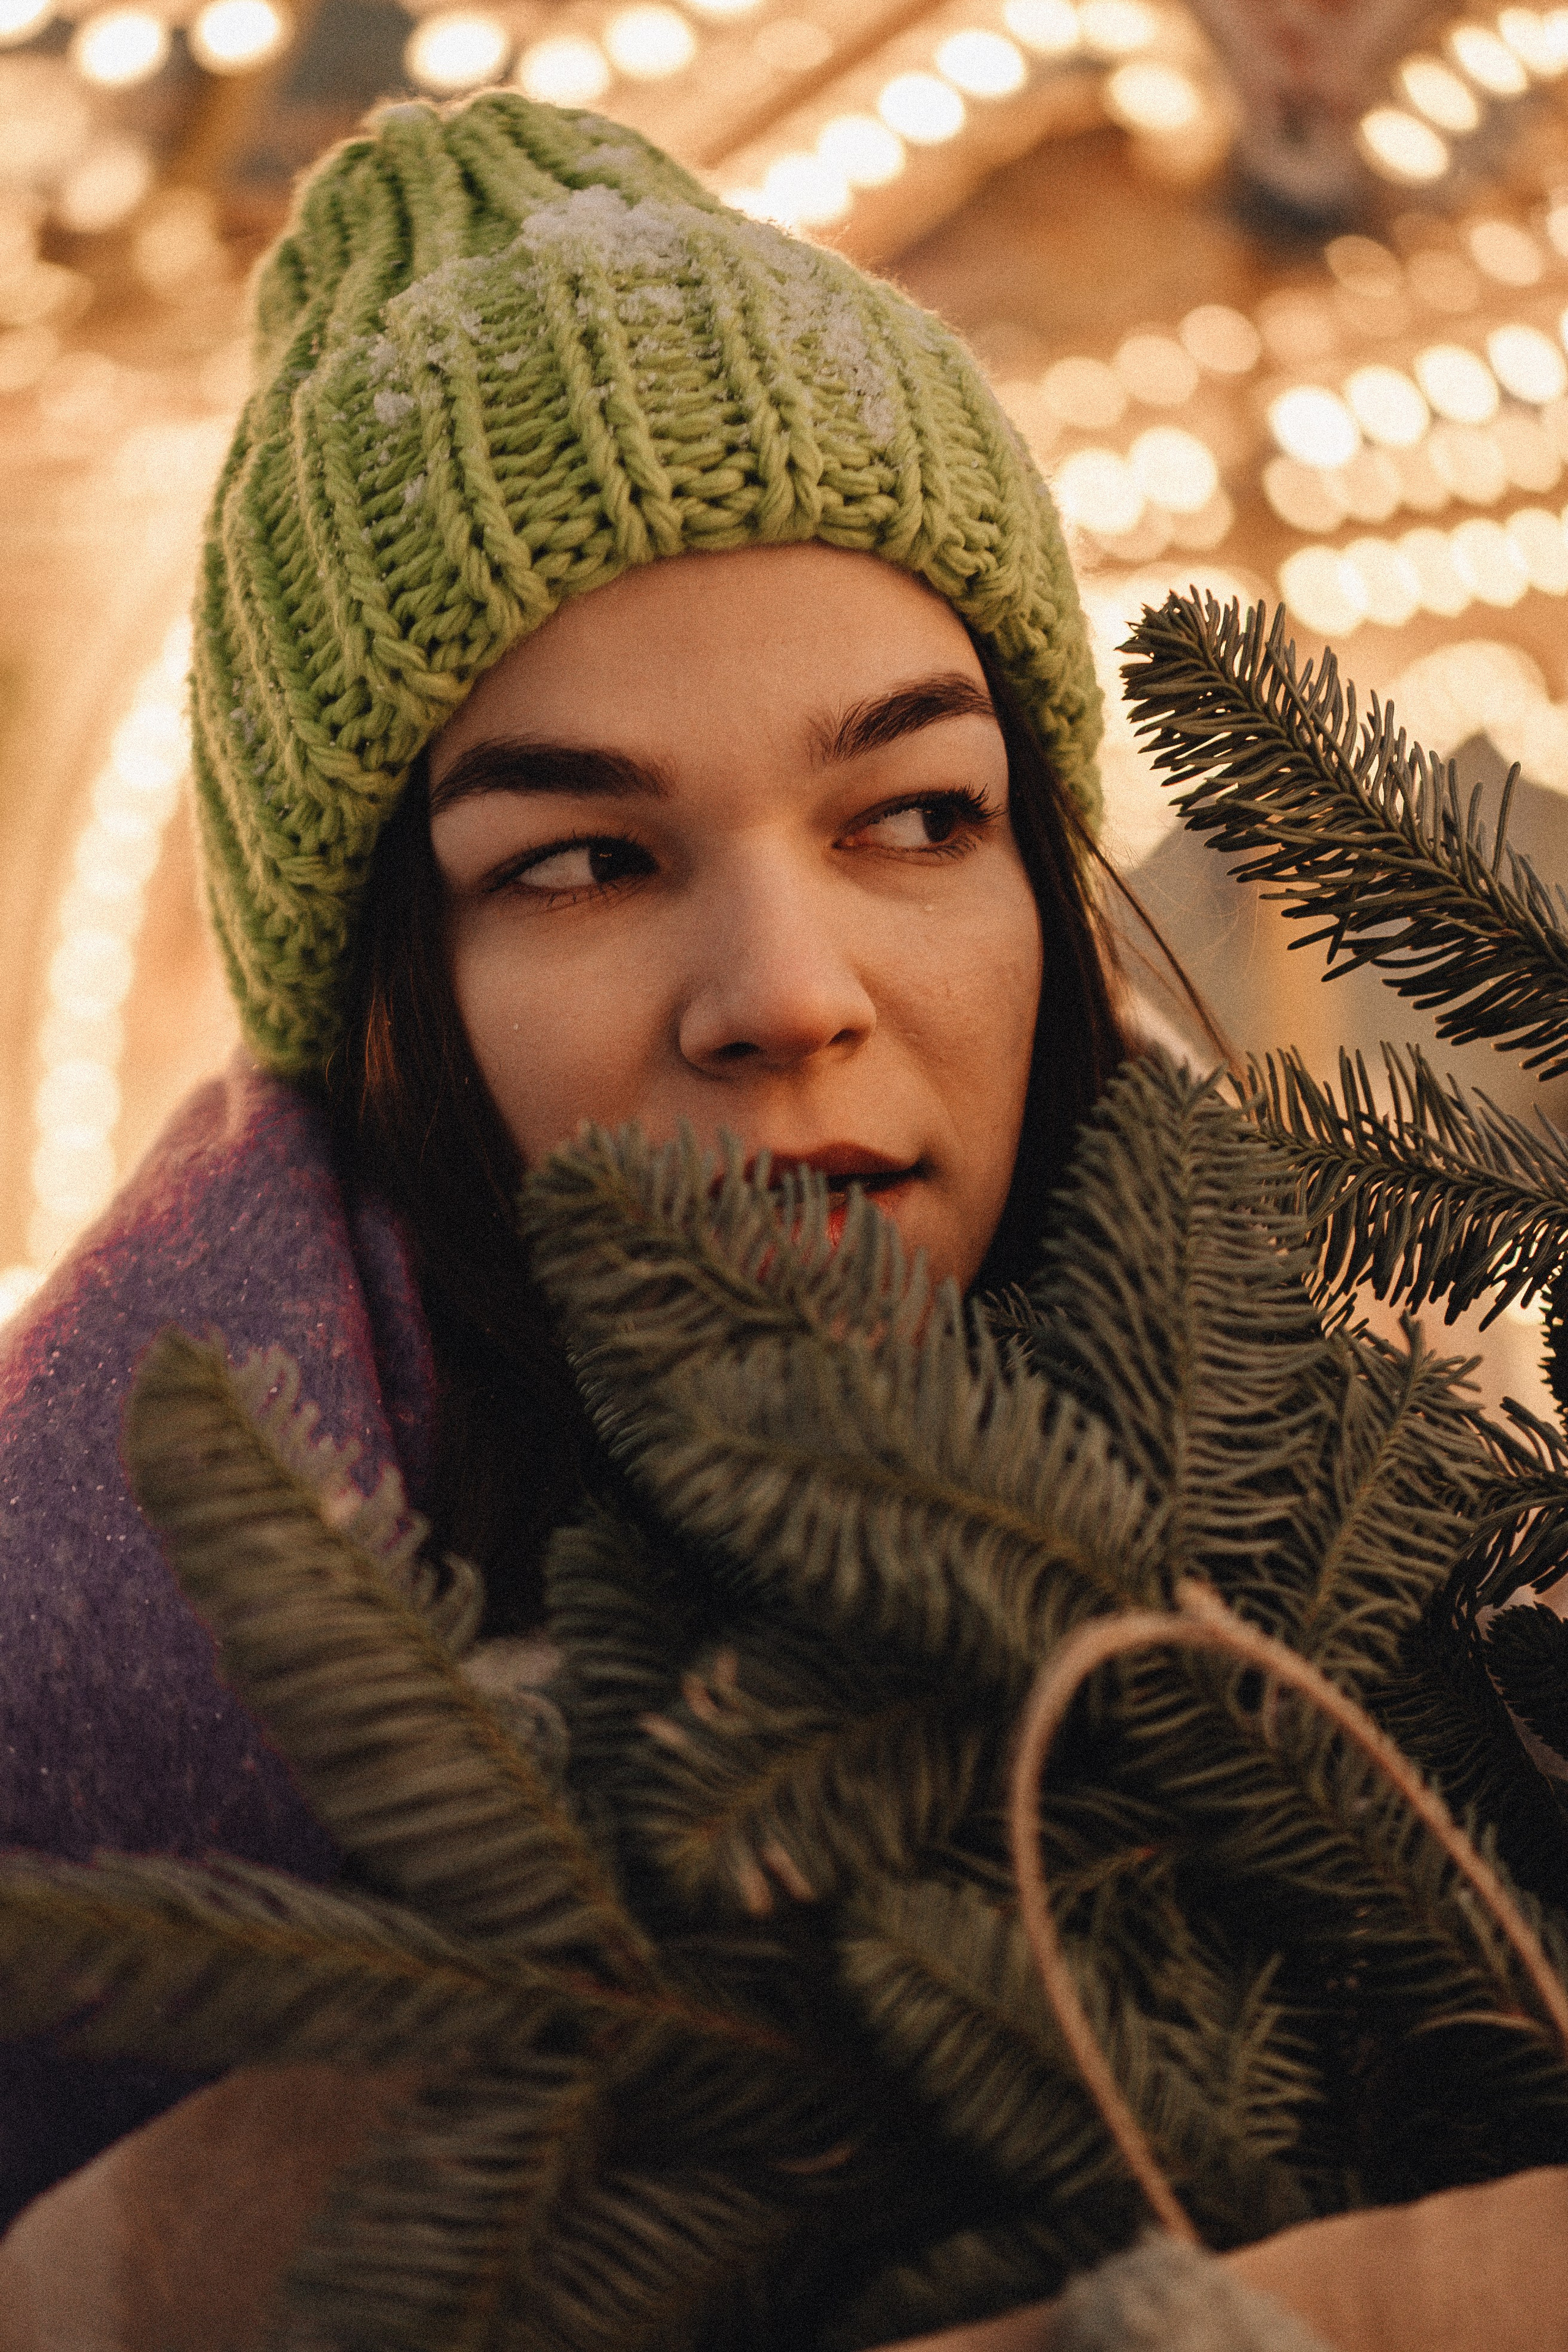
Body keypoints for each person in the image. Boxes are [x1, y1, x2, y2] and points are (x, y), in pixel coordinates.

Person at [0, 89, 1124, 2225]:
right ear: (387, 1007)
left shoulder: (1397, 1557)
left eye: (918, 815)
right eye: (586, 861)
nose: (789, 993)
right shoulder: (83, 1711)